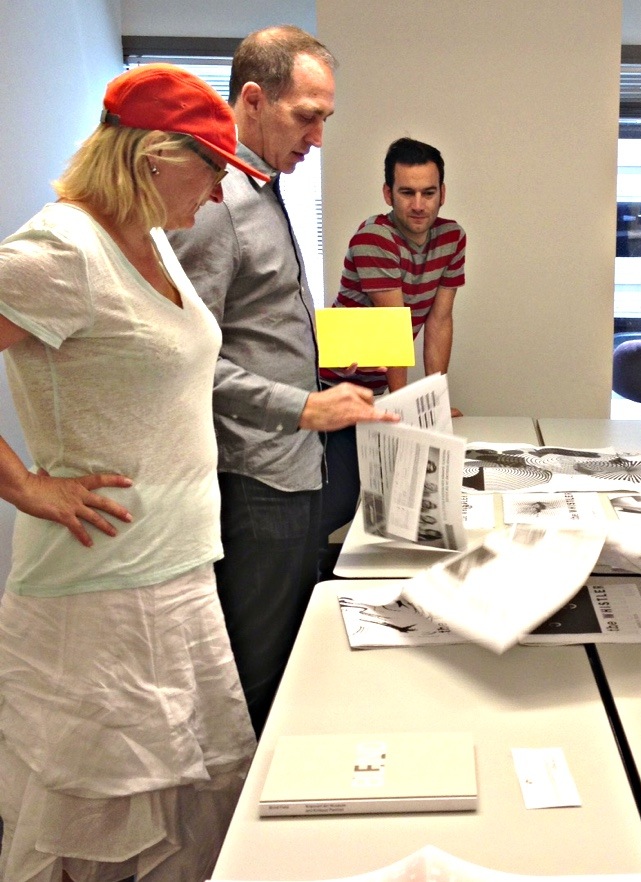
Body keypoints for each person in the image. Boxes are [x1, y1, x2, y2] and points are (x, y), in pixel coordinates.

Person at [0, 64, 260, 881]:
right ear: (155, 156)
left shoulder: (147, 242)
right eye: (212, 170)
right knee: (102, 822)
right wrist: (25, 485)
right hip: (100, 593)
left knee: (191, 807)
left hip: (177, 572)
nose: (218, 193)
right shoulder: (62, 249)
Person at [168, 26, 398, 737]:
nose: (318, 138)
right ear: (253, 100)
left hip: (295, 466)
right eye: (307, 117)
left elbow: (260, 325)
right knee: (261, 670)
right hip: (256, 474)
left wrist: (326, 366)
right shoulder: (215, 205)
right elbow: (186, 359)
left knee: (297, 649)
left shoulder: (263, 189)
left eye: (326, 118)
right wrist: (302, 404)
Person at [316, 137, 467, 574]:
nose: (418, 205)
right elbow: (394, 327)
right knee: (337, 501)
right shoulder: (373, 238)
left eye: (428, 192)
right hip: (334, 384)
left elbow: (439, 321)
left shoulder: (452, 237)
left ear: (442, 193)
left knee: (400, 494)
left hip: (380, 385)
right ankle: (304, 579)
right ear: (388, 193)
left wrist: (433, 399)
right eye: (407, 192)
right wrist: (405, 410)